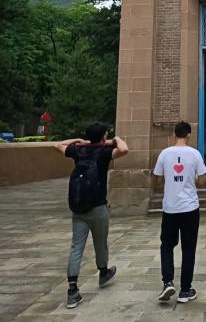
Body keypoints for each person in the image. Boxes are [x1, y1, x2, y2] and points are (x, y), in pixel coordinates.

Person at [54, 123, 129, 309]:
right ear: (103, 136)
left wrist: (79, 141)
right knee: (100, 242)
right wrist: (115, 139)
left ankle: (72, 290)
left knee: (76, 247)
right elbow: (124, 149)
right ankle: (103, 272)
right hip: (97, 206)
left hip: (78, 208)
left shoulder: (78, 151)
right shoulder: (104, 152)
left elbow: (57, 145)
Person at [153, 121, 206, 304]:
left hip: (170, 207)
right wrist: (191, 180)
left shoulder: (164, 153)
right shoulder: (195, 154)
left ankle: (167, 281)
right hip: (190, 207)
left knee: (167, 245)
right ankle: (185, 290)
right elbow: (202, 181)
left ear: (174, 134)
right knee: (189, 248)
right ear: (189, 134)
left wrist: (171, 183)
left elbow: (158, 181)